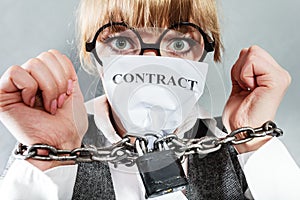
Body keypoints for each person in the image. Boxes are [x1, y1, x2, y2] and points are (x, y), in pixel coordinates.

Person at [0, 0, 299, 199]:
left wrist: (256, 139)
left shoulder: (239, 149)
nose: (151, 62)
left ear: (207, 54)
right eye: (121, 41)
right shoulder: (55, 150)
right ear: (93, 55)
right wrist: (47, 156)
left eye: (179, 43)